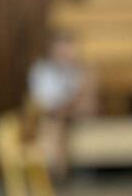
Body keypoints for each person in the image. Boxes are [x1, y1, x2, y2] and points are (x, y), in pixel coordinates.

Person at [27, 30, 98, 178]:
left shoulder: (80, 70)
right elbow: (47, 104)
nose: (67, 53)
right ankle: (56, 172)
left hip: (71, 113)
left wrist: (82, 95)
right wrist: (76, 99)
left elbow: (88, 103)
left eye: (70, 48)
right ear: (53, 50)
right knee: (55, 125)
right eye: (63, 49)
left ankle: (61, 171)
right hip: (49, 115)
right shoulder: (42, 70)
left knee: (86, 105)